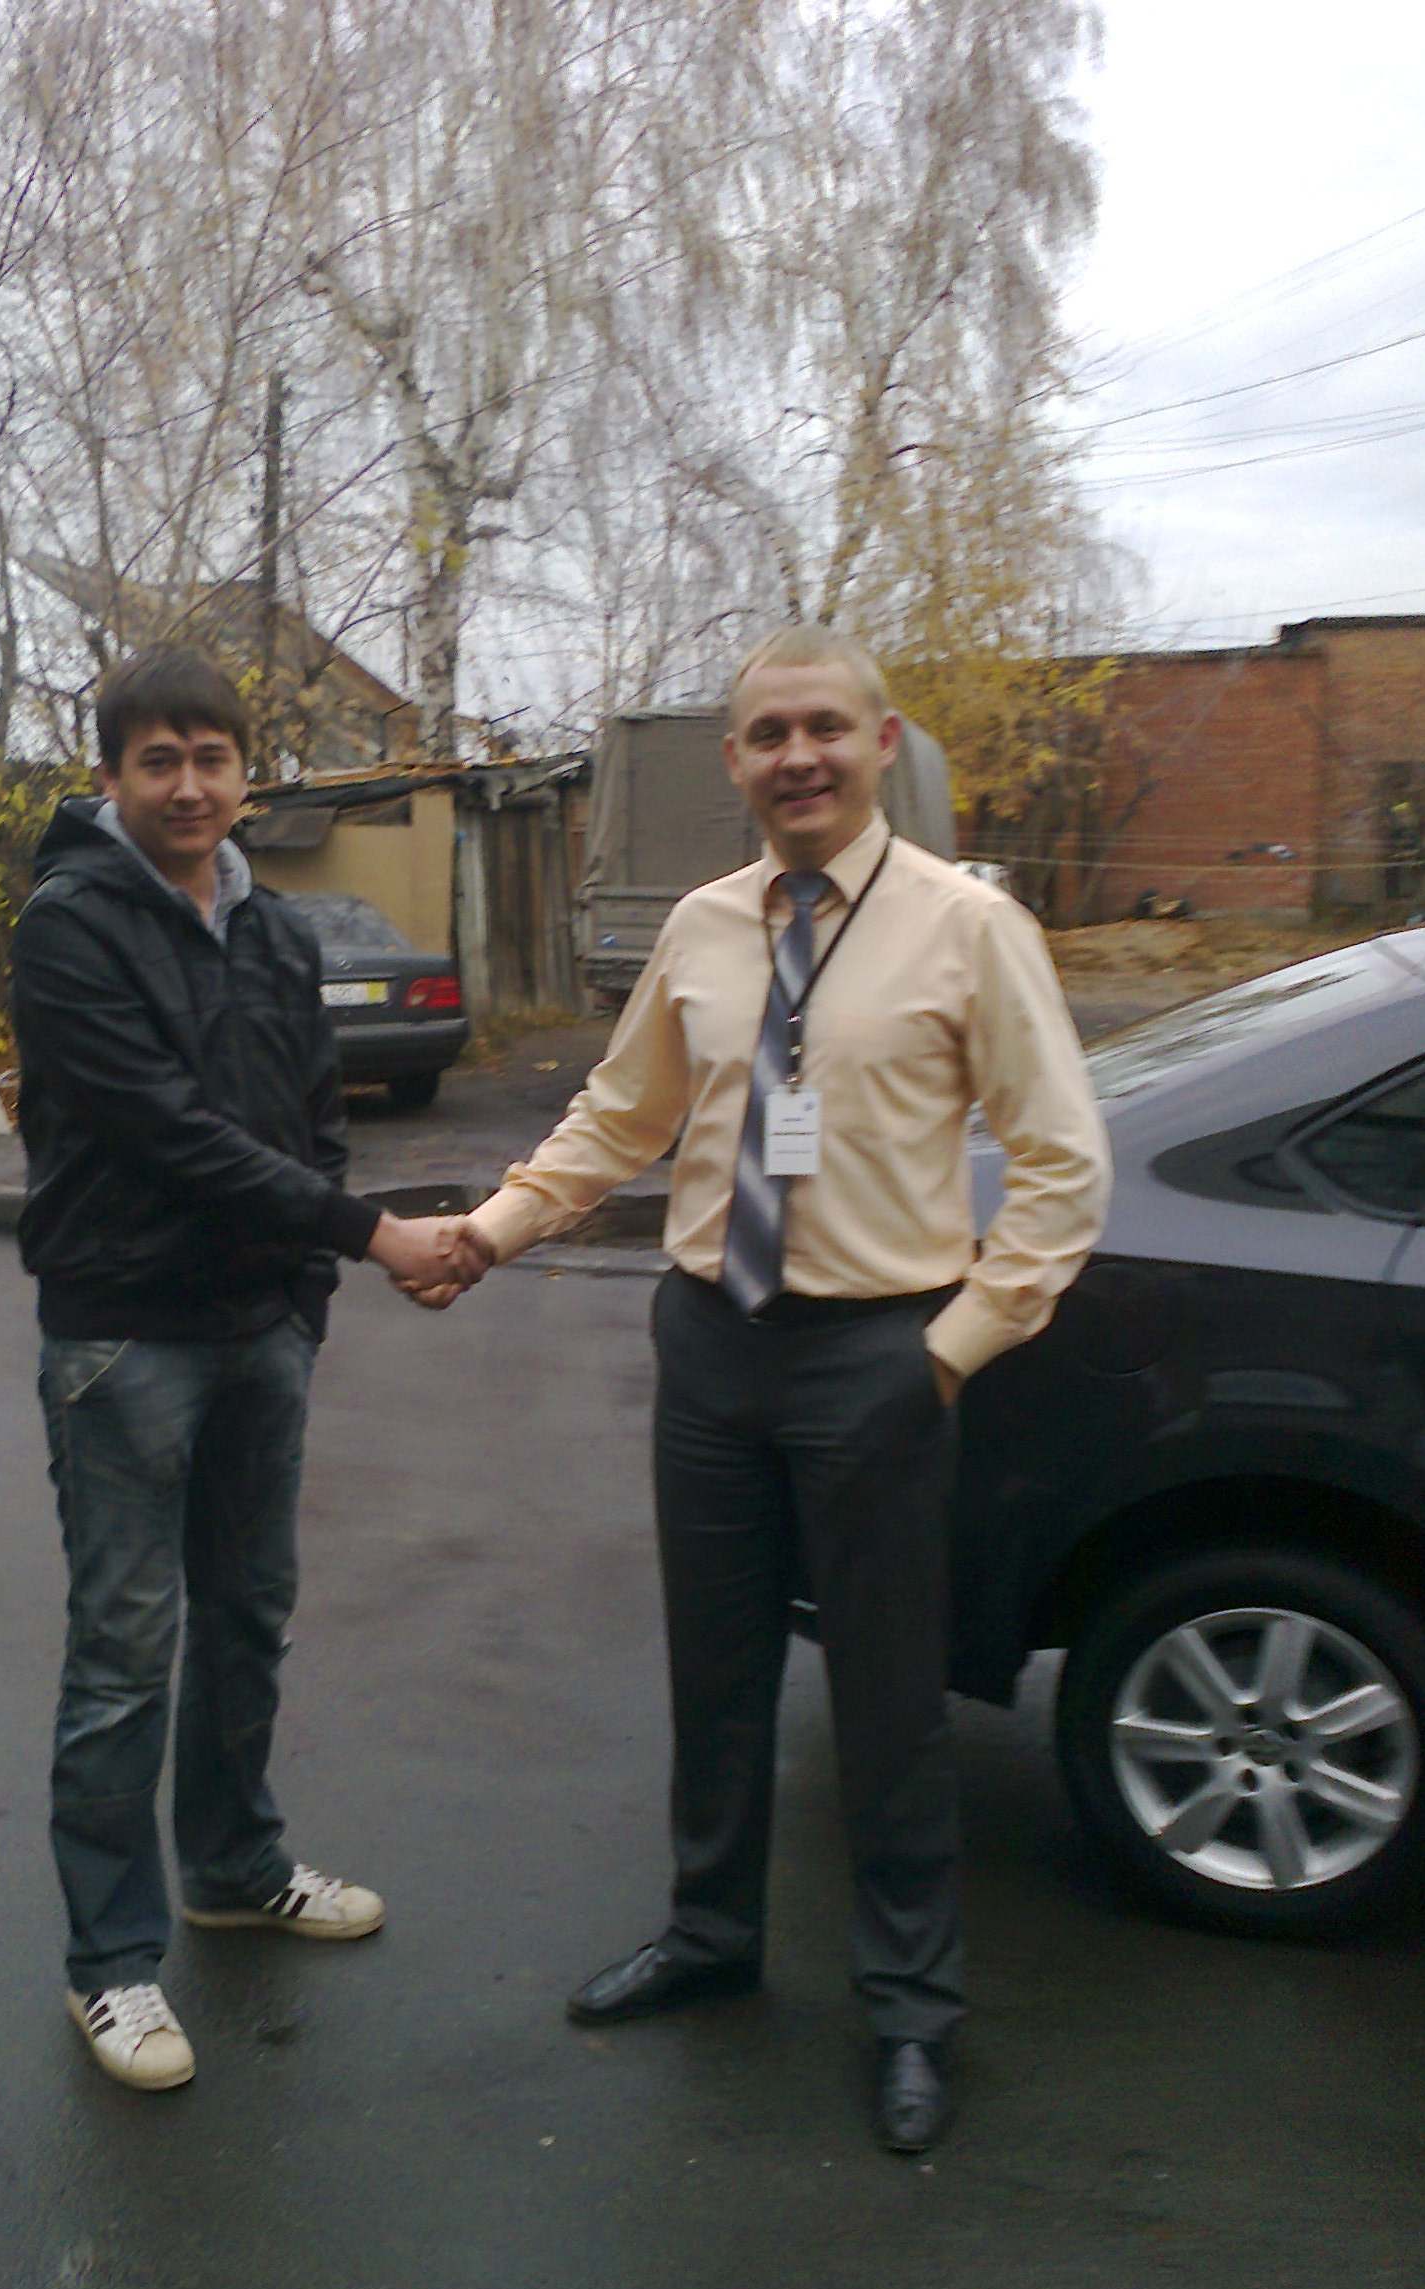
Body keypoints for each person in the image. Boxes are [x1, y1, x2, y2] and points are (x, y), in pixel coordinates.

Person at [425, 626, 1110, 2152]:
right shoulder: (703, 928)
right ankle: (712, 1936)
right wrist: (492, 1231)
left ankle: (912, 2008)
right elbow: (622, 1115)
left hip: (883, 1352)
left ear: (881, 744)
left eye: (826, 729)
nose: (800, 758)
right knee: (716, 1667)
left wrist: (949, 1352)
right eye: (770, 735)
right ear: (734, 762)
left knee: (888, 1698)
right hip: (713, 1342)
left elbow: (1063, 1166)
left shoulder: (968, 927)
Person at [12, 645, 468, 2092]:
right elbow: (167, 1132)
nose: (189, 785)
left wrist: (302, 1300)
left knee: (249, 1615)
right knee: (123, 1656)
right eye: (159, 760)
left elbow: (314, 1116)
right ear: (111, 777)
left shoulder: (271, 929)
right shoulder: (68, 927)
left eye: (211, 757)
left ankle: (234, 1866)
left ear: (244, 773)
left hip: (257, 1329)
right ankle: (111, 1965)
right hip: (126, 1335)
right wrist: (370, 1237)